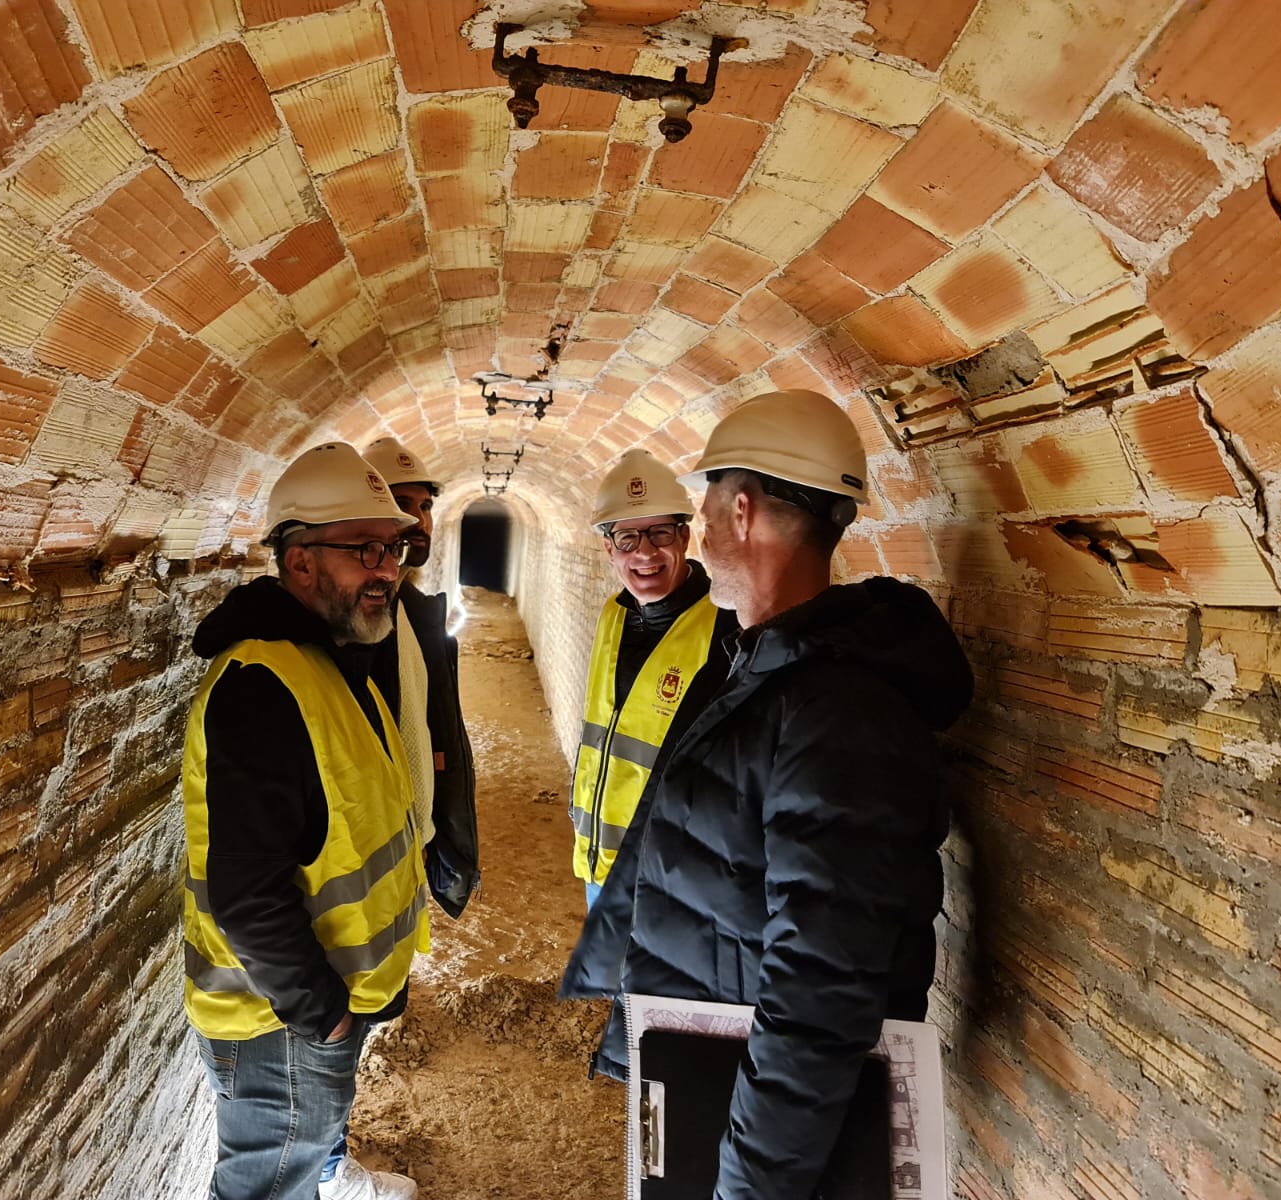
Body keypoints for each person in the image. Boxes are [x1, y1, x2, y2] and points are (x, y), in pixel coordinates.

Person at [560, 391, 973, 1199]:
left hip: (764, 1124)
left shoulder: (839, 716)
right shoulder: (766, 674)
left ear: (740, 509)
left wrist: (751, 1184)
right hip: (715, 1066)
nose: (702, 534)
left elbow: (818, 989)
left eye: (706, 507)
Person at [181, 441, 426, 1200]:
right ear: (299, 564)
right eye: (363, 549)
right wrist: (324, 1022)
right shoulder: (263, 685)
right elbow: (248, 894)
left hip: (303, 1014)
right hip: (277, 1025)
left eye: (393, 547)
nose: (387, 568)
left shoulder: (323, 657)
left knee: (293, 1176)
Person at [566, 449, 735, 909]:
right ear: (608, 547)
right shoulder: (613, 615)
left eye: (660, 532)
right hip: (598, 863)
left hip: (668, 883)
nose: (644, 551)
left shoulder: (726, 629)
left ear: (684, 537)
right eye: (627, 537)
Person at [361, 436, 479, 921]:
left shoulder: (412, 610)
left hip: (413, 844)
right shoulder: (358, 621)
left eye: (426, 506)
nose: (420, 520)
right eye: (401, 504)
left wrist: (430, 833)